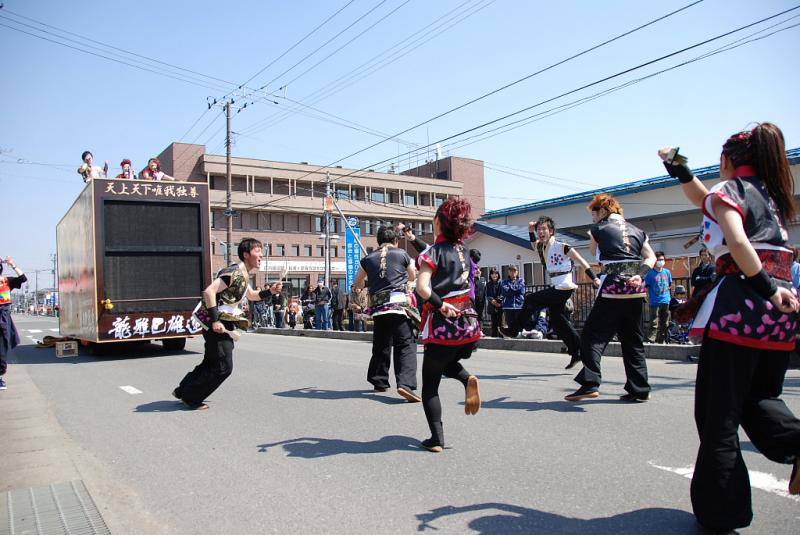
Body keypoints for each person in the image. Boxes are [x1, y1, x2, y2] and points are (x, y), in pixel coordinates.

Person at [659, 123, 800, 531]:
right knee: (759, 399)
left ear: (728, 160)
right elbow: (702, 196)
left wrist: (765, 288)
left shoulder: (731, 192)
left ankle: (723, 512)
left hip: (743, 307)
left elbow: (737, 243)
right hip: (779, 317)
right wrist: (679, 166)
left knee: (717, 419)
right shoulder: (769, 196)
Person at [566, 193, 655, 402]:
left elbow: (596, 254)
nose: (593, 218)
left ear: (604, 211)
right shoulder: (638, 231)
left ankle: (590, 382)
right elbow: (650, 257)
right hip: (636, 289)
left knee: (591, 334)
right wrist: (639, 275)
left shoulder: (598, 230)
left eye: (594, 213)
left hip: (613, 287)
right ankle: (639, 389)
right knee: (632, 339)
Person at [174, 238, 281, 409]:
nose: (261, 255)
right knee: (224, 367)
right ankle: (191, 397)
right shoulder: (233, 272)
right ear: (246, 255)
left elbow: (252, 295)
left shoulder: (245, 274)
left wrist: (271, 291)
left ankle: (183, 390)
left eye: (261, 252)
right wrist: (215, 320)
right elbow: (209, 292)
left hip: (224, 322)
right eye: (257, 251)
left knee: (211, 361)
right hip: (217, 322)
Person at [415, 197, 482, 453]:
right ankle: (467, 380)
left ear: (440, 222)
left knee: (430, 386)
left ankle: (437, 438)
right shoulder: (464, 251)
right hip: (469, 327)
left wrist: (439, 303)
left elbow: (422, 288)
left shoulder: (432, 253)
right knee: (448, 363)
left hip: (444, 325)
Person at [501, 216, 600, 369]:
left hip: (564, 286)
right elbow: (534, 245)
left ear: (551, 231)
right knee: (558, 320)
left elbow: (581, 260)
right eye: (539, 229)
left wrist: (594, 278)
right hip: (557, 286)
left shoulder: (562, 246)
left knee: (531, 299)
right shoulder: (542, 247)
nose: (541, 232)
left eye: (544, 229)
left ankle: (514, 329)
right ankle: (577, 351)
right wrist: (530, 231)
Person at [354, 225, 420, 402]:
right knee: (405, 344)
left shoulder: (368, 258)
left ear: (378, 241)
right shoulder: (402, 254)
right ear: (395, 241)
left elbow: (358, 282)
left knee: (381, 344)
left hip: (378, 308)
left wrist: (365, 287)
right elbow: (412, 277)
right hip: (398, 306)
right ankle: (405, 384)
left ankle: (379, 381)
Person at [0, 257, 27, 390]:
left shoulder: (6, 281)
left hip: (3, 319)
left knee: (2, 348)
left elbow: (23, 278)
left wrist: (13, 265)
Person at [644, 251, 673, 344]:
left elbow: (669, 284)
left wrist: (669, 298)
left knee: (665, 323)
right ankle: (651, 339)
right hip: (654, 301)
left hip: (666, 300)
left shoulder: (667, 272)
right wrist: (648, 298)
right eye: (659, 260)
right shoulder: (650, 273)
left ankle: (663, 339)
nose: (661, 261)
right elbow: (647, 287)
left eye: (662, 259)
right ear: (655, 261)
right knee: (654, 322)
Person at [501, 266, 525, 332]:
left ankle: (520, 338)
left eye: (514, 270)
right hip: (508, 306)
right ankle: (512, 339)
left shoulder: (521, 280)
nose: (513, 272)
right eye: (511, 271)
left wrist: (511, 289)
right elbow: (506, 292)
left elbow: (521, 291)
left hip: (519, 306)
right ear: (508, 272)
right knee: (510, 325)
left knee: (519, 325)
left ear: (517, 272)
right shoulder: (504, 281)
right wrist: (516, 290)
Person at [486, 269, 504, 337]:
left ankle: (501, 335)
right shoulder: (488, 284)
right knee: (493, 322)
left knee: (501, 321)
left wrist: (498, 301)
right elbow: (488, 295)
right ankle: (494, 336)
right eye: (492, 274)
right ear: (490, 275)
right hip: (492, 304)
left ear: (498, 275)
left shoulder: (501, 283)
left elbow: (502, 294)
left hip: (500, 304)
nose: (494, 275)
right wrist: (492, 301)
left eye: (496, 273)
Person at [471, 250, 487, 324]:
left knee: (480, 315)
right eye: (475, 269)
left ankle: (480, 330)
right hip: (472, 299)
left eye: (478, 269)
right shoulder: (471, 278)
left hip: (481, 300)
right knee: (472, 315)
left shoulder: (483, 279)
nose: (477, 271)